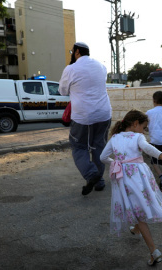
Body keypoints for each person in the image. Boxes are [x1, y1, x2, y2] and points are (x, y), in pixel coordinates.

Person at [100, 109, 162, 265]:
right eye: (143, 127)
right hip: (139, 177)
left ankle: (139, 231)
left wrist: (116, 163)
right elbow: (147, 148)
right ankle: (153, 250)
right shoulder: (138, 137)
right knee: (139, 206)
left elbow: (102, 157)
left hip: (123, 177)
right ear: (135, 124)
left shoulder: (114, 138)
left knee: (135, 205)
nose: (143, 130)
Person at [59, 42, 112, 195]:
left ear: (77, 52)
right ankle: (99, 181)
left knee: (78, 147)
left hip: (83, 116)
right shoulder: (101, 66)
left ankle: (91, 175)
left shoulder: (71, 69)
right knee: (98, 146)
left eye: (72, 52)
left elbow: (62, 91)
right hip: (104, 113)